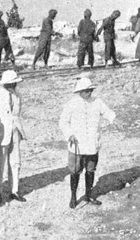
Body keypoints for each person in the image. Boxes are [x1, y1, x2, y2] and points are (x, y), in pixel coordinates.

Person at [59, 77, 118, 209]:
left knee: (90, 170)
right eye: (86, 91)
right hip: (77, 144)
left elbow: (107, 112)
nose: (89, 93)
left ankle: (89, 194)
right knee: (75, 171)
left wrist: (114, 119)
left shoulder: (97, 102)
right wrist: (69, 134)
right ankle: (73, 196)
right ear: (79, 91)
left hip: (91, 143)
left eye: (90, 90)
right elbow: (63, 122)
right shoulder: (71, 104)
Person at [0, 70, 27, 205]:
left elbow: (16, 114)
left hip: (15, 132)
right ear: (5, 84)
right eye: (11, 83)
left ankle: (14, 190)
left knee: (15, 162)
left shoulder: (18, 96)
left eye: (15, 83)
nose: (13, 86)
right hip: (1, 134)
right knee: (0, 164)